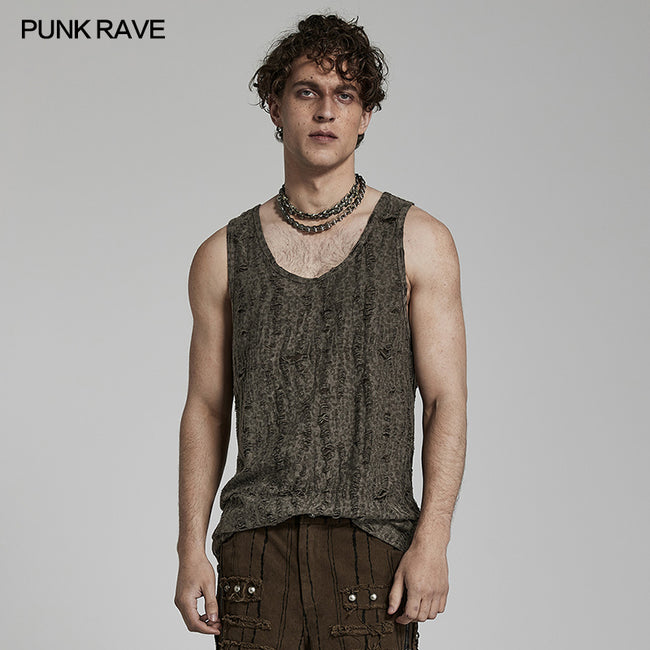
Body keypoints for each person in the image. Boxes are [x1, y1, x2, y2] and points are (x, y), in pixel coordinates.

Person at [174, 13, 467, 650]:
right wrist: (188, 547)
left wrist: (434, 539)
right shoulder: (222, 255)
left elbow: (445, 400)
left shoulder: (418, 241)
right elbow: (205, 407)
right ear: (276, 108)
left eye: (345, 94)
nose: (326, 111)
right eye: (307, 91)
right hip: (256, 557)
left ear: (365, 117)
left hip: (374, 554)